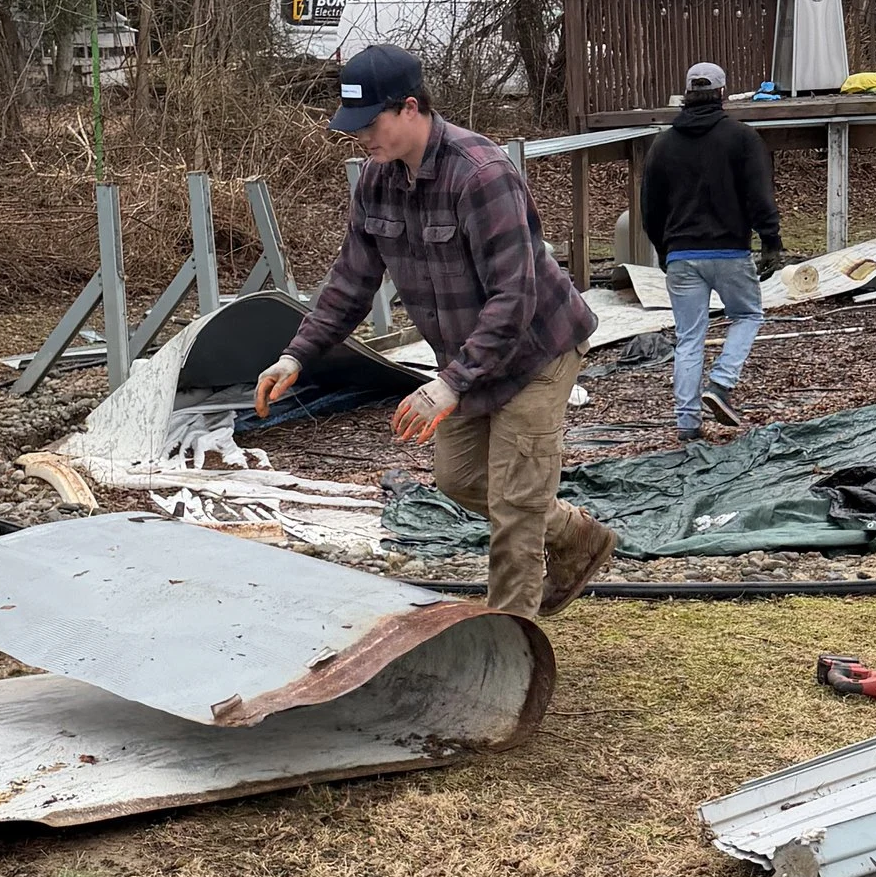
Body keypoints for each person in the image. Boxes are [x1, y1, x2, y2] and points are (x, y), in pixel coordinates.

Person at [252, 46, 617, 617]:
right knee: (458, 478)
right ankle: (575, 536)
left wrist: (450, 384)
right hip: (470, 358)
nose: (361, 138)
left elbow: (513, 297)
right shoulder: (376, 182)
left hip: (536, 351)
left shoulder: (482, 174)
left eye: (370, 123)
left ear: (411, 108)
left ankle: (508, 649)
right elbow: (351, 280)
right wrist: (296, 355)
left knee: (516, 504)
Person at [639, 60, 785, 442]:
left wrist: (664, 249)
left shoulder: (662, 144)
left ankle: (687, 423)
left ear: (687, 94)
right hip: (730, 252)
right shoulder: (741, 138)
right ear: (721, 93)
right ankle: (720, 384)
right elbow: (758, 194)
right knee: (748, 314)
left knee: (690, 338)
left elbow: (650, 208)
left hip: (681, 256)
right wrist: (771, 241)